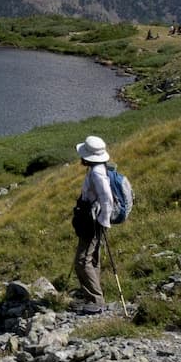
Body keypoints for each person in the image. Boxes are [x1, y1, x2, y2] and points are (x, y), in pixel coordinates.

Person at [73, 135, 113, 314]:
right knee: (92, 258)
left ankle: (95, 300)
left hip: (93, 222)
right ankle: (94, 297)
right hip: (94, 220)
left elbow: (107, 198)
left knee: (82, 261)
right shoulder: (98, 168)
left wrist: (102, 221)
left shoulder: (97, 172)